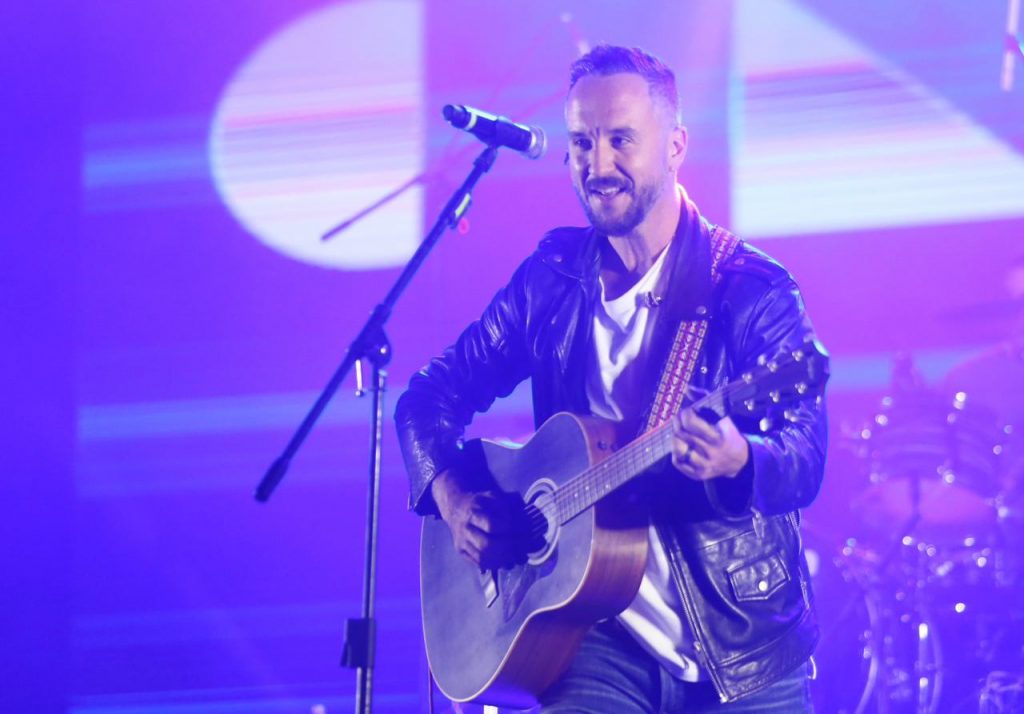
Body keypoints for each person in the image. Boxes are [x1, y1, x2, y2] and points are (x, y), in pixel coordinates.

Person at [396, 45, 828, 712]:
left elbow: (805, 457)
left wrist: (741, 460)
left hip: (742, 645)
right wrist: (452, 498)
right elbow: (429, 397)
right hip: (593, 633)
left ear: (675, 146)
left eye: (620, 140)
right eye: (582, 143)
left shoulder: (751, 290)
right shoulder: (551, 280)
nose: (598, 166)